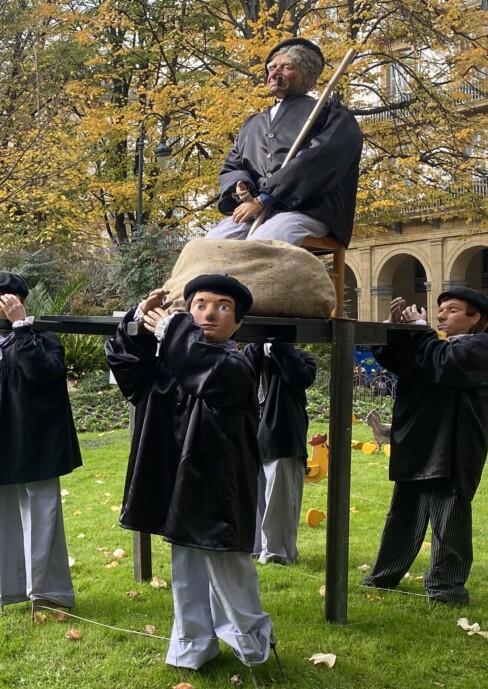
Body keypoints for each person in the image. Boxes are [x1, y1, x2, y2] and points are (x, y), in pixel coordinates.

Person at [105, 274, 274, 669]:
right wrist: (138, 322)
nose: (209, 312)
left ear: (238, 324)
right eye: (199, 304)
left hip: (219, 485)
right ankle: (192, 647)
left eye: (223, 306)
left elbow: (203, 365)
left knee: (228, 567)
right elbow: (127, 367)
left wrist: (172, 328)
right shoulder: (174, 363)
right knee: (185, 568)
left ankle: (255, 645)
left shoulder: (235, 364)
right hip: (179, 484)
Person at [0, 270, 82, 611]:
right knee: (4, 520)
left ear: (18, 302)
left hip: (35, 443)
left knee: (43, 517)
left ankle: (49, 593)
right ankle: (12, 591)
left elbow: (42, 371)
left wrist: (22, 327)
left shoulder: (42, 336)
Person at [361, 289, 488, 604]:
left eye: (453, 310)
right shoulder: (434, 346)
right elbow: (401, 361)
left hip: (454, 447)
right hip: (419, 442)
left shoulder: (481, 346)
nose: (442, 314)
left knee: (450, 518)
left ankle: (447, 590)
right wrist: (394, 331)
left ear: (478, 320)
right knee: (403, 515)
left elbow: (447, 365)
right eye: (440, 309)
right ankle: (383, 577)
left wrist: (422, 331)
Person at [206, 37, 363, 248]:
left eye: (286, 67)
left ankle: (256, 283)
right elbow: (233, 167)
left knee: (261, 244)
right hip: (253, 210)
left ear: (307, 74)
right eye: (271, 68)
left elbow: (318, 162)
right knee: (208, 247)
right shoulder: (251, 124)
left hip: (309, 210)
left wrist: (265, 199)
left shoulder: (330, 114)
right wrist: (243, 190)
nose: (274, 73)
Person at [243, 342, 317, 564]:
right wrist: (257, 347)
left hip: (283, 437)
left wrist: (279, 348)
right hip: (250, 435)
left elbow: (298, 378)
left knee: (281, 500)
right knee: (252, 497)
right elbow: (241, 376)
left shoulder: (302, 358)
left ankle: (277, 553)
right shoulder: (248, 355)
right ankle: (253, 547)